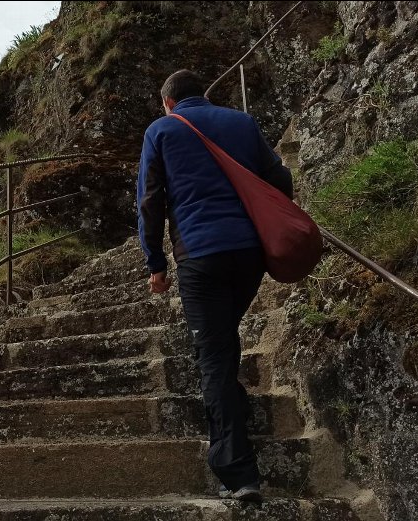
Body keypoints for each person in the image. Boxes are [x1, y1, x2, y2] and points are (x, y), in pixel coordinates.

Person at [136, 69, 293, 503]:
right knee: (222, 341)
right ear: (202, 94)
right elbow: (280, 179)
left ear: (166, 101)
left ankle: (238, 473)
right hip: (249, 254)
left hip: (200, 257)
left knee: (213, 356)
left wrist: (155, 262)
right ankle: (234, 402)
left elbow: (150, 201)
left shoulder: (162, 130)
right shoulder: (241, 122)